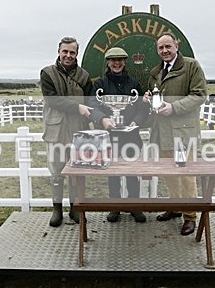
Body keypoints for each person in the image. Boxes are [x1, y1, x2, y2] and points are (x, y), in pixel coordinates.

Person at [144, 32, 207, 236]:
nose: (165, 51)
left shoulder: (191, 66)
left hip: (182, 135)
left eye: (168, 46)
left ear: (176, 46)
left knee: (186, 175)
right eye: (161, 48)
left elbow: (199, 95)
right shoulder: (156, 73)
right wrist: (149, 98)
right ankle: (175, 206)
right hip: (161, 133)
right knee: (168, 174)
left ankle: (190, 217)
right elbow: (157, 98)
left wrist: (175, 107)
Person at [88, 47, 148, 223]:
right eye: (113, 60)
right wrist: (103, 120)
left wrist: (136, 122)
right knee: (112, 173)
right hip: (109, 137)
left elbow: (143, 109)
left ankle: (134, 206)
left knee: (132, 172)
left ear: (125, 62)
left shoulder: (134, 84)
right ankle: (114, 206)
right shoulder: (99, 85)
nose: (117, 63)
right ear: (108, 62)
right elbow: (93, 107)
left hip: (131, 136)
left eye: (120, 59)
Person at [40, 36, 92, 227]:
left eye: (72, 52)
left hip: (78, 131)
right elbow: (52, 100)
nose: (68, 55)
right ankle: (57, 210)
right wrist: (77, 107)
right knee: (56, 172)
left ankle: (74, 209)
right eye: (65, 52)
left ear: (77, 54)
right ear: (59, 52)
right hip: (56, 131)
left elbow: (88, 102)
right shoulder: (47, 73)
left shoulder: (84, 76)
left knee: (77, 171)